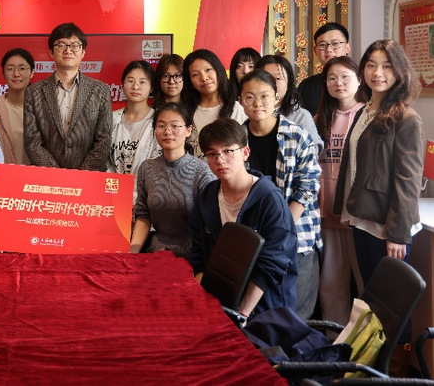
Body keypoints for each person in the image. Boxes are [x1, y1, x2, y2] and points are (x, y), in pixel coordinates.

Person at [334, 39, 425, 287]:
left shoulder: (406, 118)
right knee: (370, 294)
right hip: (363, 217)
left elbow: (408, 181)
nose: (378, 73)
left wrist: (397, 234)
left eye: (387, 66)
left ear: (399, 72)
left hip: (387, 227)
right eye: (371, 65)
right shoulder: (364, 111)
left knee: (390, 299)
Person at [189, 118, 298, 317]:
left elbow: (272, 264)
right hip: (220, 302)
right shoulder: (207, 197)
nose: (220, 160)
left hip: (264, 306)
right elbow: (199, 254)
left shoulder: (269, 199)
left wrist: (242, 314)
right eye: (212, 154)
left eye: (228, 151)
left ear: (245, 153)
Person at [238, 69, 322, 320]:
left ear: (276, 98)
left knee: (293, 314)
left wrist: (282, 226)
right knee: (257, 314)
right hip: (253, 238)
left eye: (264, 96)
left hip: (296, 234)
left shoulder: (297, 134)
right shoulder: (237, 138)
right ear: (240, 101)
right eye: (250, 97)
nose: (257, 103)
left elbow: (308, 185)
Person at [314, 56, 365, 326]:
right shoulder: (319, 119)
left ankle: (367, 343)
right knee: (331, 283)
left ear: (359, 80)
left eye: (345, 76)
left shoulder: (368, 116)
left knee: (365, 283)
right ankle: (335, 339)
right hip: (327, 214)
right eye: (332, 78)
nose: (339, 83)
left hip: (359, 217)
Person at [24, 22, 112, 170]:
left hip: (88, 177)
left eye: (75, 45)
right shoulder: (34, 92)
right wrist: (58, 176)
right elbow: (32, 142)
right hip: (48, 177)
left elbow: (104, 140)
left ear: (83, 52)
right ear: (51, 52)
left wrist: (81, 175)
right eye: (61, 45)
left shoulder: (100, 90)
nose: (68, 50)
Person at [130, 103, 214, 255]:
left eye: (175, 126)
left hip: (193, 254)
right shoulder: (147, 168)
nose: (167, 131)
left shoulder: (202, 172)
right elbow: (143, 217)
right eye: (161, 126)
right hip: (157, 252)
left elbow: (209, 225)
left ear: (188, 130)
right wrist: (132, 253)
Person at [181, 49, 247, 156]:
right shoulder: (185, 113)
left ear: (218, 70)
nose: (204, 78)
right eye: (195, 74)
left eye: (208, 70)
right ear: (190, 82)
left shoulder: (237, 109)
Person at [107, 60, 161, 186]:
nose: (135, 87)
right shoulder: (111, 118)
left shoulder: (158, 121)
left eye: (142, 82)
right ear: (123, 84)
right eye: (130, 81)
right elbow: (103, 158)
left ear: (152, 87)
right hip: (113, 189)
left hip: (147, 191)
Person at [256, 55, 323, 154]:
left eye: (278, 78)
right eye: (266, 78)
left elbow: (314, 149)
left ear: (289, 83)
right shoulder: (246, 112)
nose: (272, 83)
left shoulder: (301, 116)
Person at [0, 48, 35, 165]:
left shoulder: (42, 107)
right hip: (3, 173)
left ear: (32, 72)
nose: (16, 74)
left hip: (37, 175)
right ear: (3, 73)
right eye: (10, 69)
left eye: (22, 69)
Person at [298, 22, 352, 115]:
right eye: (322, 45)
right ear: (315, 50)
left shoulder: (361, 82)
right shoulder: (306, 86)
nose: (329, 49)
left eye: (335, 43)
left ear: (347, 47)